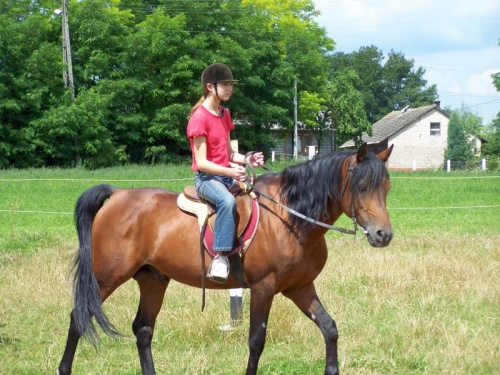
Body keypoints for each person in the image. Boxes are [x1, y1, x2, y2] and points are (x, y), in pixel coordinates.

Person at [187, 63, 264, 283]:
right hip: (207, 180)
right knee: (227, 203)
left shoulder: (224, 113)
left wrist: (249, 159)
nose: (230, 88)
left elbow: (230, 154)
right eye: (226, 84)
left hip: (225, 175)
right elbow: (201, 163)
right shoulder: (199, 118)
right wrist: (231, 171)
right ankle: (220, 258)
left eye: (231, 85)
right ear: (210, 87)